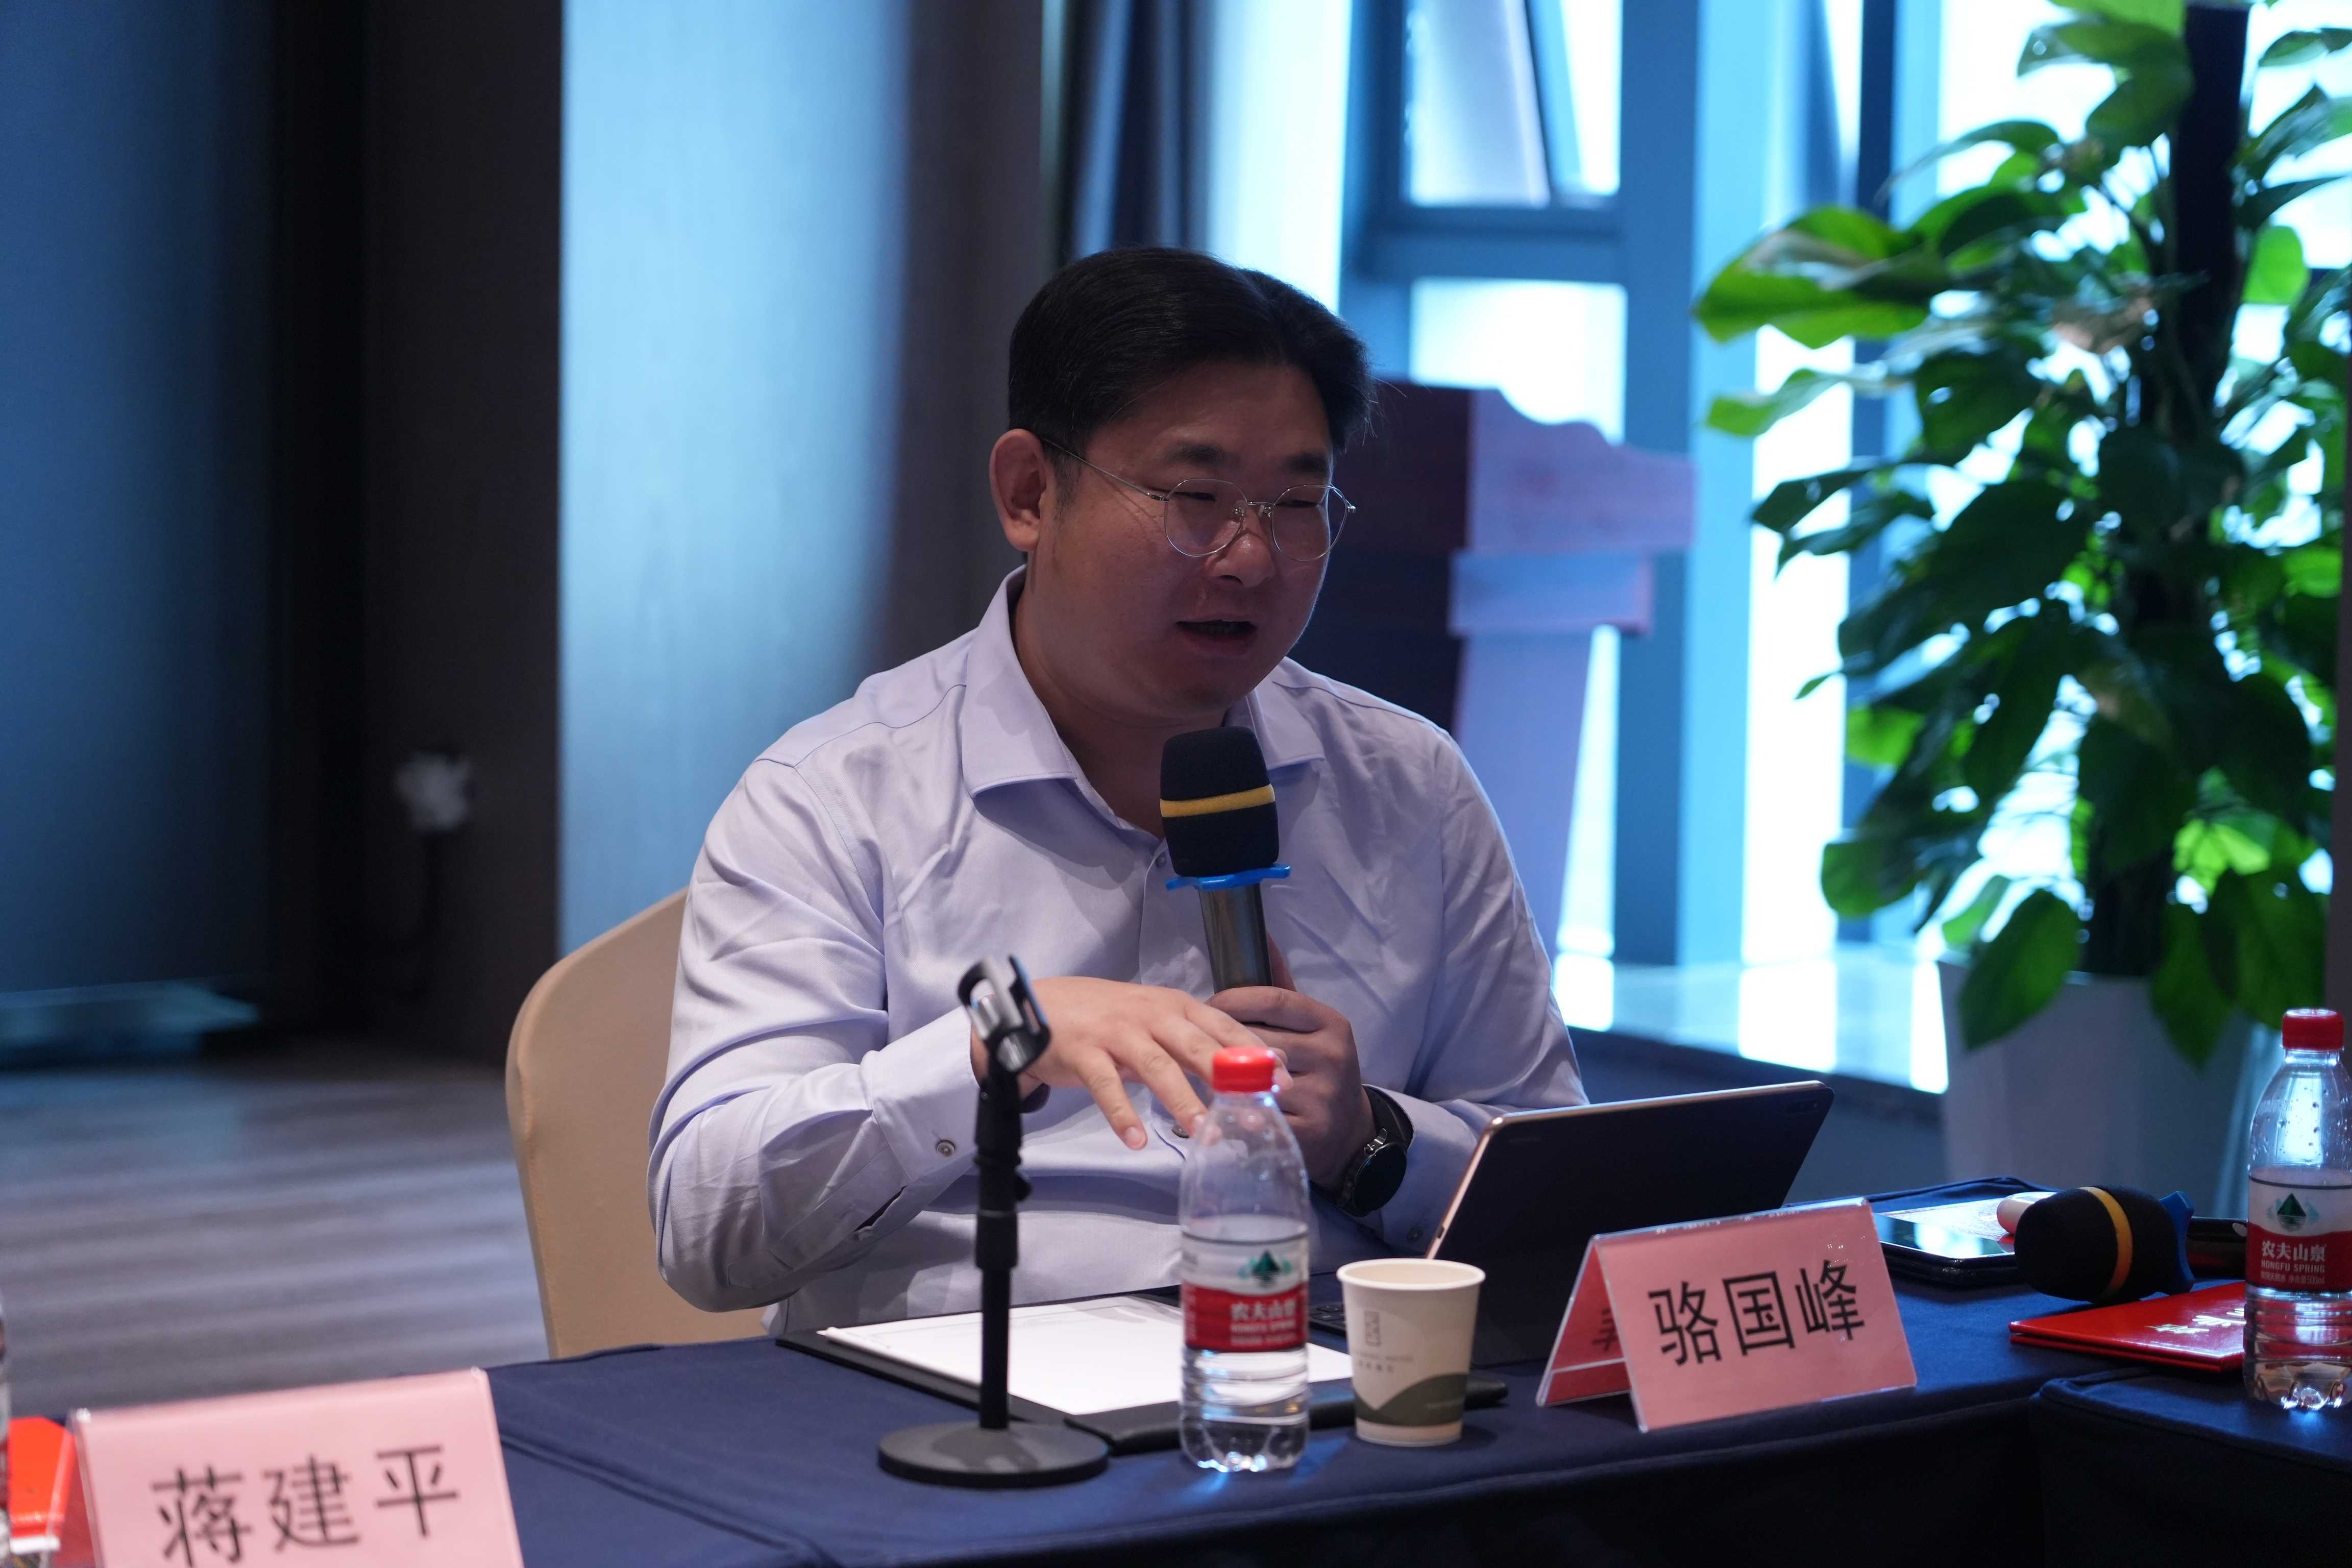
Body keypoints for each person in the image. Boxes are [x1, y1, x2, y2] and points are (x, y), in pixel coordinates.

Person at [652, 247, 1583, 1331]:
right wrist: (985, 1051)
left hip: (1308, 1379)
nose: (1250, 558)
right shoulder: (832, 796)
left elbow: (1558, 1193)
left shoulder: (1409, 785)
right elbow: (708, 1228)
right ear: (1030, 494)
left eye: (1295, 503)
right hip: (960, 1395)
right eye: (1196, 497)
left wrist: (1368, 1138)